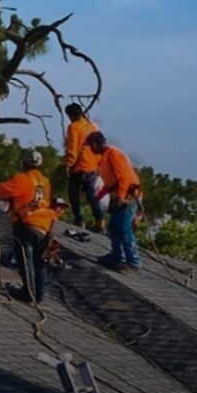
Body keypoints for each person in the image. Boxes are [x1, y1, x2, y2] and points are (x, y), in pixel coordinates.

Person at [0, 150, 60, 303]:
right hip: (43, 228)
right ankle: (39, 296)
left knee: (26, 262)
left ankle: (28, 294)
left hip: (25, 225)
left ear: (24, 163)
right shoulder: (45, 182)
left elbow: (3, 189)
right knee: (40, 262)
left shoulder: (22, 179)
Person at [87, 132, 143, 271]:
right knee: (113, 228)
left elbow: (123, 178)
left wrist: (120, 196)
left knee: (124, 228)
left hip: (128, 197)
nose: (91, 150)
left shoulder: (114, 154)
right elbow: (109, 183)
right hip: (118, 196)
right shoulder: (104, 158)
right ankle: (117, 257)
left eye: (90, 146)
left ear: (95, 144)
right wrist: (98, 196)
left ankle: (133, 261)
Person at [61, 103, 105, 231]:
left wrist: (68, 165)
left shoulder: (73, 127)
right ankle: (100, 220)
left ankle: (79, 220)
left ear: (71, 115)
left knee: (73, 194)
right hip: (94, 166)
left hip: (80, 166)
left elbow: (73, 149)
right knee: (91, 194)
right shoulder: (93, 126)